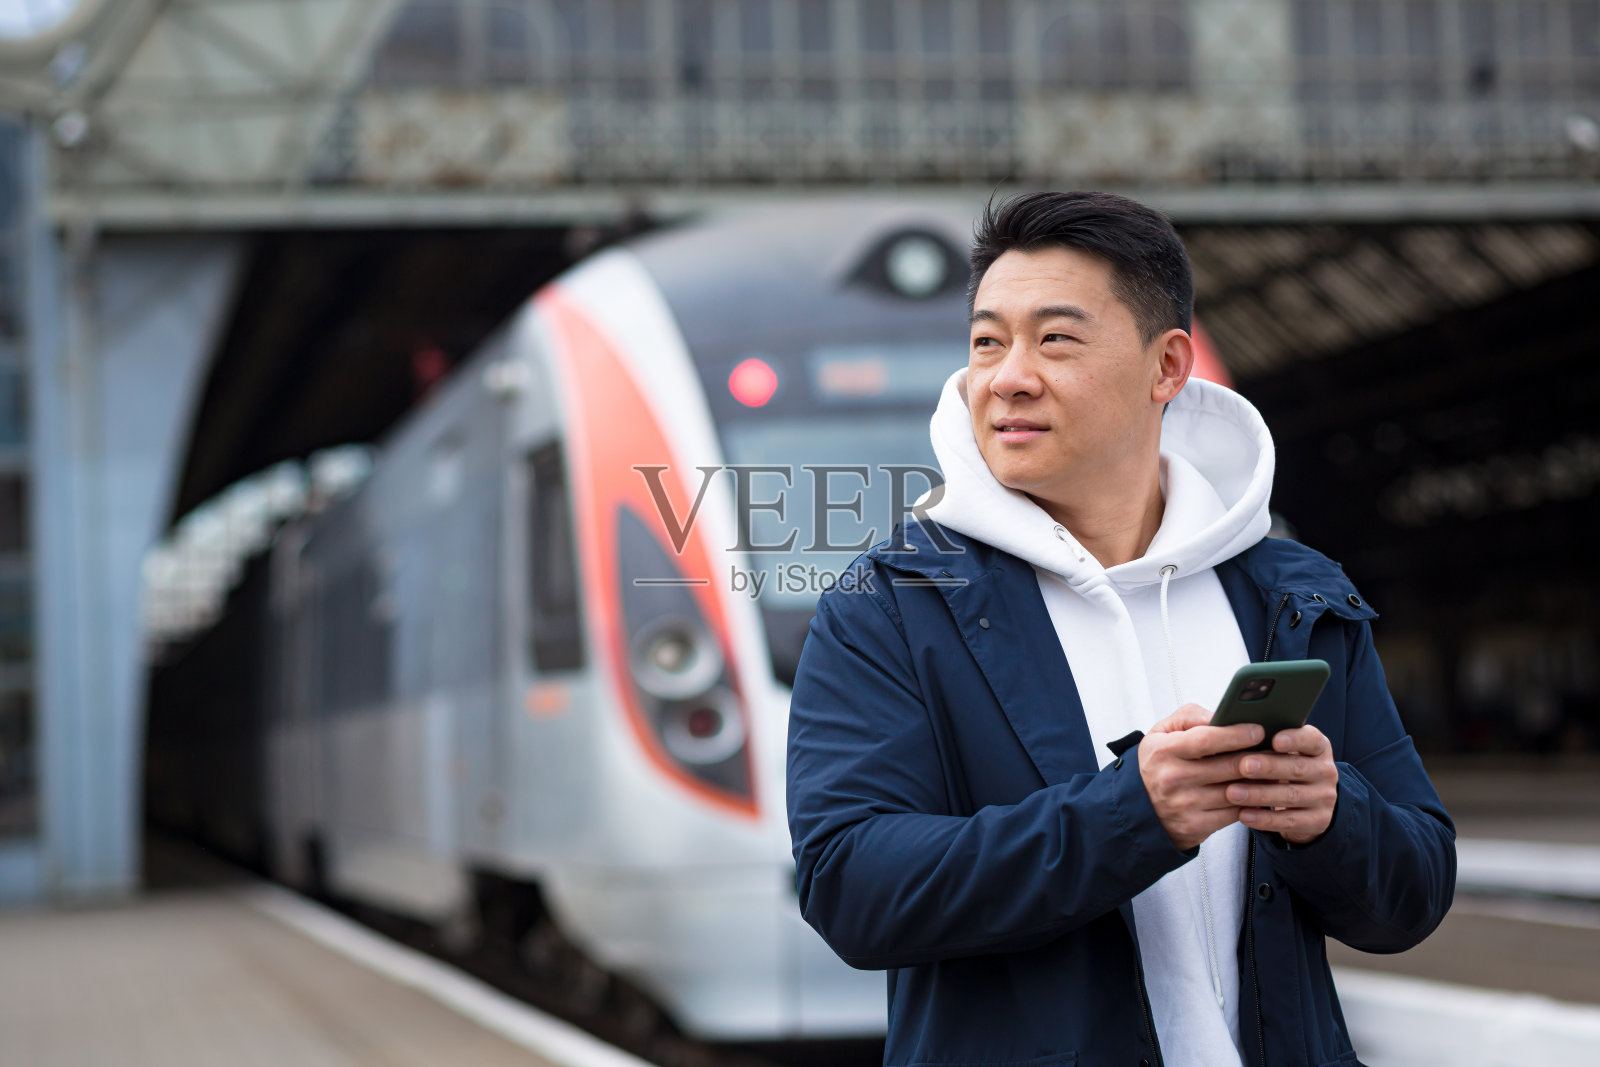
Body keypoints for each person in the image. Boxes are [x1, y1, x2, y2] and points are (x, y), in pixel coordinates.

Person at [786, 191, 1456, 1067]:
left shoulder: (1293, 595)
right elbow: (850, 885)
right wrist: (1129, 814)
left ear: (1167, 365)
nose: (1007, 375)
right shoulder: (890, 604)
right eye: (989, 340)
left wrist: (1332, 818)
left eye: (1055, 338)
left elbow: (1416, 889)